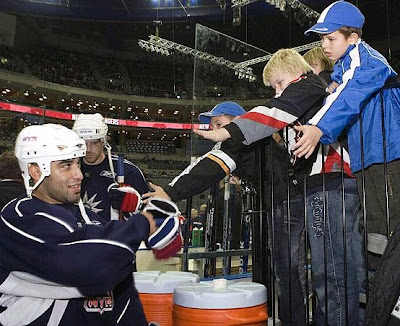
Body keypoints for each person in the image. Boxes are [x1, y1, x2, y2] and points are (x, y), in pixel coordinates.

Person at [146, 49, 365, 326]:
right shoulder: (281, 119)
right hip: (297, 195)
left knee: (326, 267)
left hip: (312, 191)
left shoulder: (294, 100)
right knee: (299, 270)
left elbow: (217, 159)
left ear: (241, 120)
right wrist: (172, 191)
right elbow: (209, 164)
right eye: (213, 124)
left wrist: (174, 190)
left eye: (219, 121)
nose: (215, 127)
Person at [0, 123, 157, 325]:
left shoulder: (87, 216)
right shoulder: (19, 218)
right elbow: (93, 266)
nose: (79, 175)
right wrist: (144, 223)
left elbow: (122, 288)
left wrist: (130, 214)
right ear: (36, 171)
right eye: (66, 165)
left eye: (77, 164)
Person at [293, 0, 400, 271]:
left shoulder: (368, 62)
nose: (324, 45)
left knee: (388, 231)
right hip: (370, 160)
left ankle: (389, 299)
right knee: (377, 231)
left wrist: (318, 128)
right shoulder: (344, 67)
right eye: (322, 39)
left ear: (353, 37)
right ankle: (383, 297)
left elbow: (347, 98)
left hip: (387, 157)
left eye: (330, 38)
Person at [72, 113, 149, 221]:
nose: (88, 149)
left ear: (104, 141)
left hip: (115, 236)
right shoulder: (68, 171)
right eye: (83, 144)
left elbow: (150, 213)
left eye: (94, 143)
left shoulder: (128, 171)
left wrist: (137, 205)